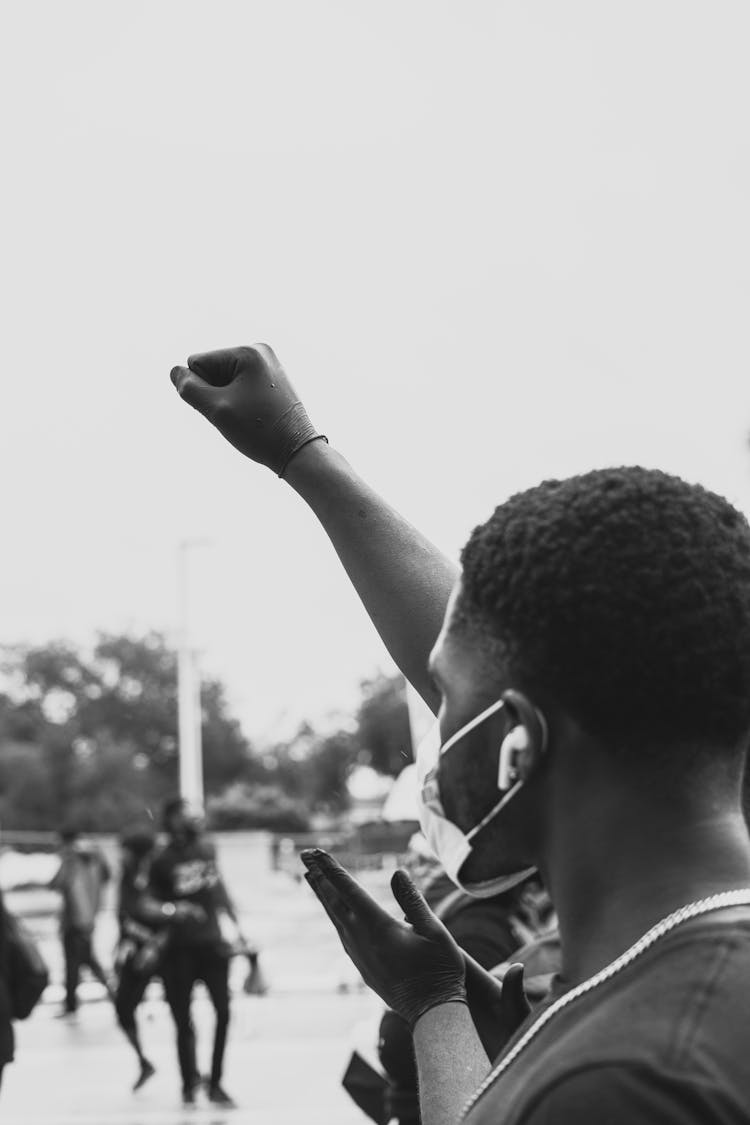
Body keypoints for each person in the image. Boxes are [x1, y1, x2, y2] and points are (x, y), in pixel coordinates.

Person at [171, 344, 750, 1124]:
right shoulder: (697, 968)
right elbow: (548, 660)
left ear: (517, 742)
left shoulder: (632, 1077)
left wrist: (435, 1009)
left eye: (442, 694)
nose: (434, 718)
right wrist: (303, 456)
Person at [148, 798, 242, 1108]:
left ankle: (216, 1083)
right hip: (178, 950)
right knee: (183, 1019)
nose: (191, 819)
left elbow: (219, 889)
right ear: (172, 820)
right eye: (184, 814)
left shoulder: (206, 849)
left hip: (212, 944)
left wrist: (237, 927)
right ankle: (189, 1083)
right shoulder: (160, 859)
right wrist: (173, 910)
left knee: (224, 1013)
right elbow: (147, 904)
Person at [50, 825, 113, 1018]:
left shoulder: (70, 858)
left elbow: (57, 882)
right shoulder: (96, 856)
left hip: (74, 919)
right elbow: (107, 876)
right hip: (89, 916)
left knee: (74, 962)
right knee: (84, 959)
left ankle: (72, 1004)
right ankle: (113, 991)